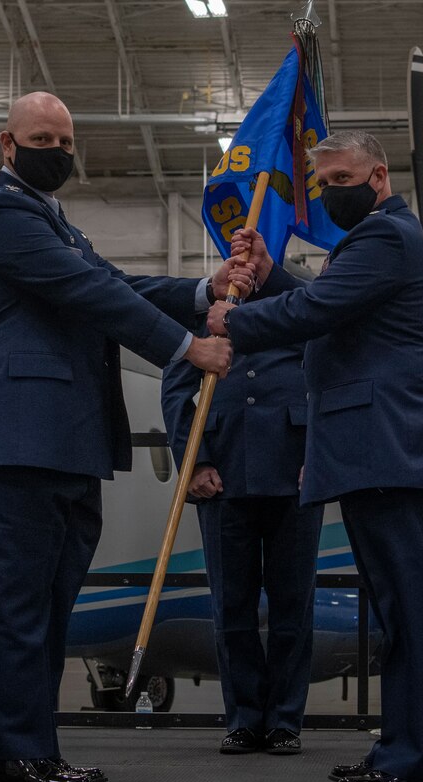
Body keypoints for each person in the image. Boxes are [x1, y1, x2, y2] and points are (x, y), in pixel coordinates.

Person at [0, 91, 248, 782]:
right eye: (42, 138)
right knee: (23, 605)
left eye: (66, 139)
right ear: (7, 145)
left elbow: (115, 282)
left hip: (65, 441)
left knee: (48, 605)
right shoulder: (3, 216)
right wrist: (188, 347)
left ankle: (33, 750)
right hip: (19, 439)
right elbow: (89, 293)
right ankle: (19, 755)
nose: (58, 152)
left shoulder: (56, 224)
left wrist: (206, 288)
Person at [206, 130, 423, 782]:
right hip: (380, 447)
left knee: (411, 613)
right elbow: (328, 304)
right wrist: (268, 278)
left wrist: (230, 319)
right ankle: (408, 751)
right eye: (322, 184)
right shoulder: (377, 239)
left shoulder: (383, 237)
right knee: (401, 613)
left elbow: (319, 308)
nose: (328, 194)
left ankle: (416, 756)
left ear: (379, 176)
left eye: (340, 180)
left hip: (392, 447)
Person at [160, 259, 323, 756]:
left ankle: (285, 722)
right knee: (231, 606)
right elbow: (176, 392)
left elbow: (326, 379)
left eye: (251, 265)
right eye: (235, 266)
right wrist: (195, 462)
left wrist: (317, 457)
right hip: (223, 474)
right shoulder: (203, 315)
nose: (243, 273)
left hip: (293, 473)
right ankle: (244, 718)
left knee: (293, 606)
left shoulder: (299, 309)